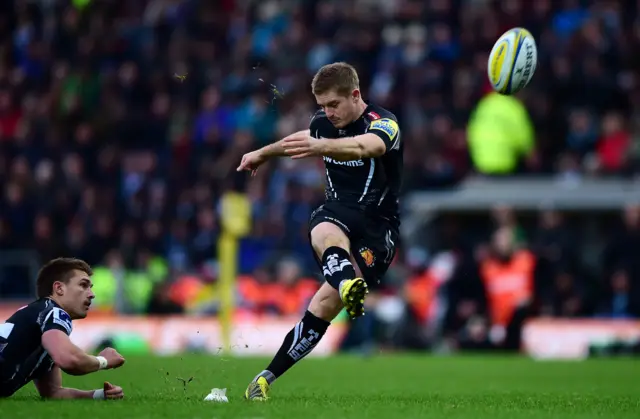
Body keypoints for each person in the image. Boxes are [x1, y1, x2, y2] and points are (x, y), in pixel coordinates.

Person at [237, 62, 402, 400]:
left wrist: (319, 146)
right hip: (339, 209)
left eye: (334, 105)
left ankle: (343, 285)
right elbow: (302, 139)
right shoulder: (323, 124)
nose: (328, 113)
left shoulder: (385, 123)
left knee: (323, 308)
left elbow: (366, 147)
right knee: (324, 228)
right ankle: (263, 380)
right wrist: (262, 154)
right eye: (322, 106)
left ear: (355, 95)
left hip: (378, 226)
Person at [0, 258, 126, 399]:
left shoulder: (40, 316)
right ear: (59, 289)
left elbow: (53, 392)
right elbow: (68, 359)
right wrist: (103, 360)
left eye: (90, 287)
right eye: (83, 285)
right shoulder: (54, 312)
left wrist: (99, 395)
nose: (91, 294)